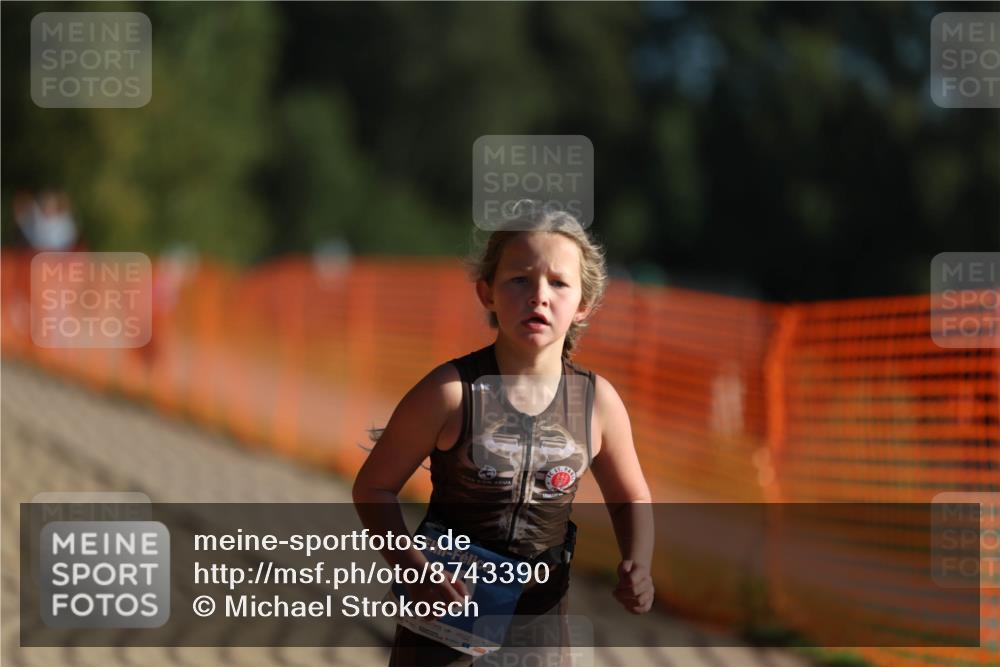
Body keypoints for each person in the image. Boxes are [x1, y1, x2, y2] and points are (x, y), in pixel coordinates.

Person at [353, 203, 654, 666]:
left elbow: (629, 498)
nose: (539, 296)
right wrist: (414, 568)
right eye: (519, 279)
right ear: (487, 292)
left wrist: (639, 562)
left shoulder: (598, 404)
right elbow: (373, 488)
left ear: (583, 305)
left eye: (558, 283)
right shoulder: (451, 392)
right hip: (447, 614)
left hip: (540, 623)